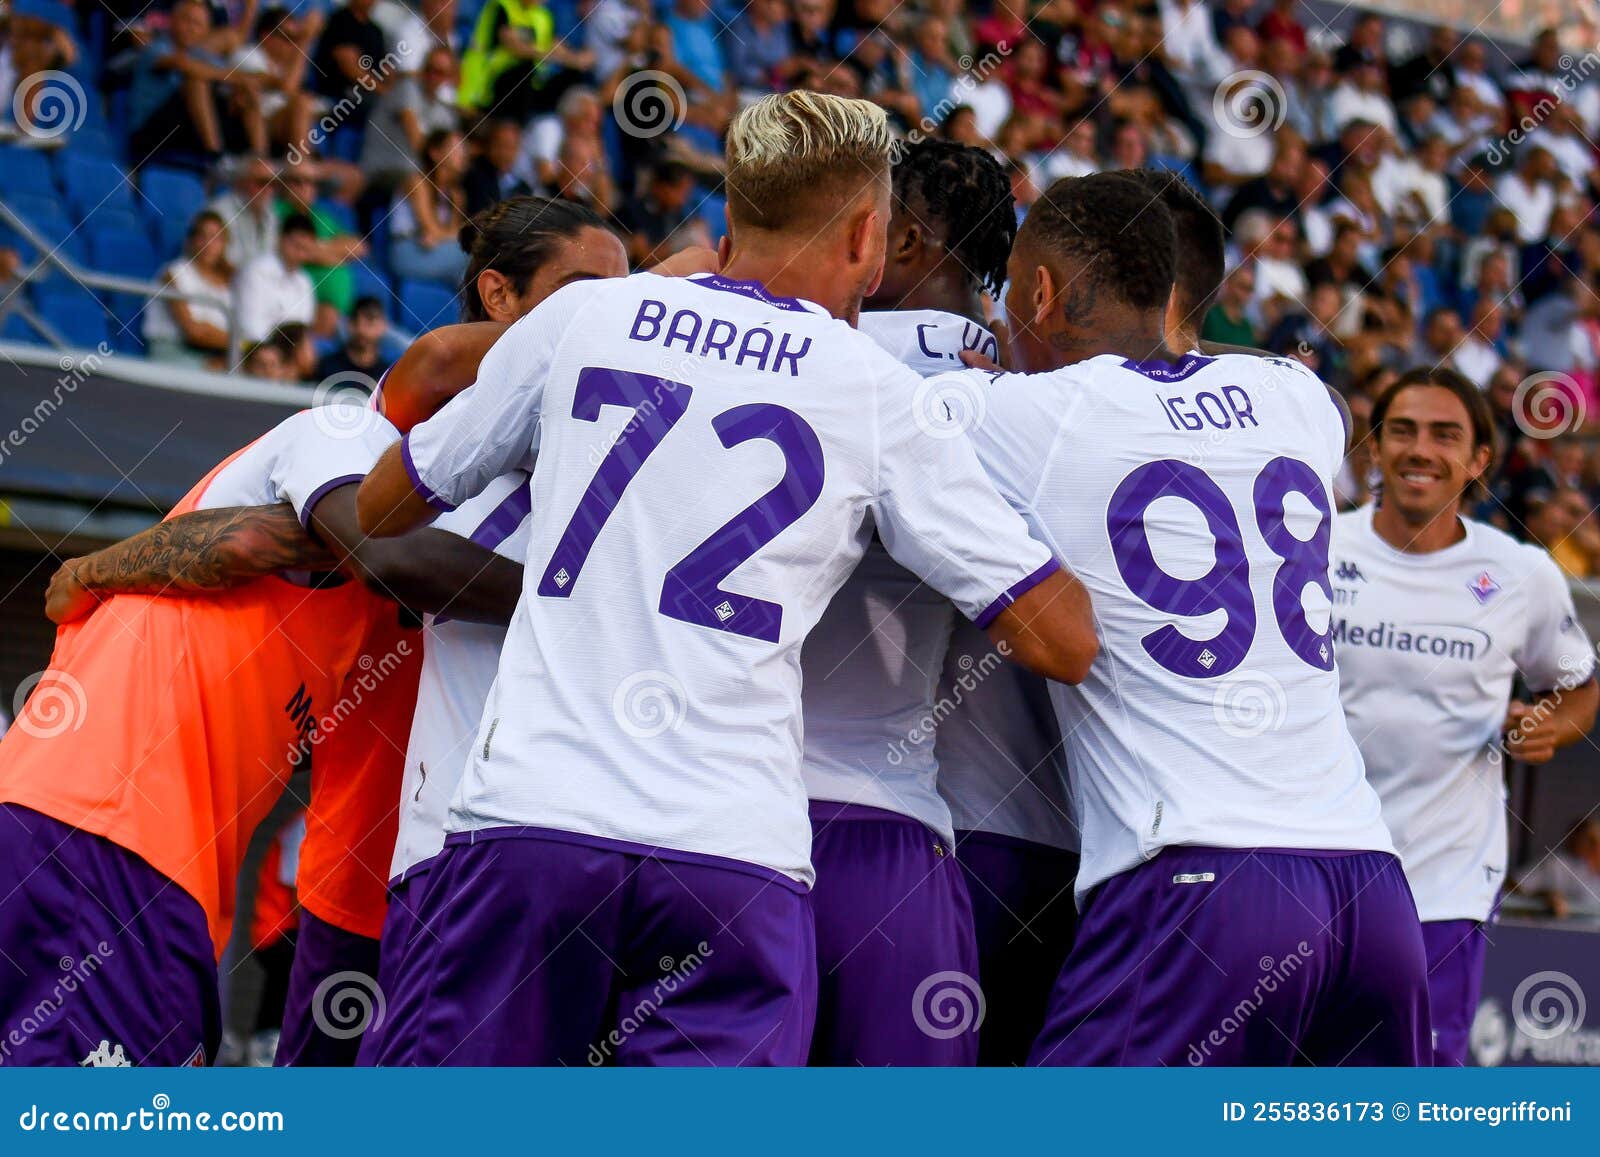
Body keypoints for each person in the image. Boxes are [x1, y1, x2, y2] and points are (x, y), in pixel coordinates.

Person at [355, 92, 1098, 1066]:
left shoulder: (589, 316)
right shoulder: (878, 394)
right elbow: (1063, 641)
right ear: (870, 233)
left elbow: (385, 505)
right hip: (731, 852)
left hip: (532, 818)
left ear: (730, 217)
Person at [954, 171, 1428, 1066]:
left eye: (1013, 291)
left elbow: (874, 410)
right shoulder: (1295, 398)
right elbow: (1305, 401)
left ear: (1043, 294)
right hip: (1371, 887)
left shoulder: (1029, 413)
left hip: (1201, 879)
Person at [0, 403, 520, 1066]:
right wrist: (567, 595)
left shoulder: (354, 628)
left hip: (63, 817)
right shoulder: (358, 441)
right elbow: (316, 544)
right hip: (118, 841)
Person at [358, 197, 630, 1064]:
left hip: (596, 846)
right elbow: (397, 551)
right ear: (498, 296)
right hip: (457, 842)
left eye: (623, 300)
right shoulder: (426, 424)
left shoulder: (615, 425)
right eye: (584, 295)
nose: (613, 320)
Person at [796, 139, 1016, 1066]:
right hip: (906, 825)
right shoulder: (1019, 390)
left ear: (911, 240)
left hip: (734, 814)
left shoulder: (803, 350)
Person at [1332, 369, 1598, 1064]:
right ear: (1375, 449)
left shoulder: (1521, 572)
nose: (1422, 448)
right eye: (1403, 430)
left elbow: (1579, 684)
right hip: (1309, 872)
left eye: (1445, 434)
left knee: (1412, 1094)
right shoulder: (1316, 547)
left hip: (1444, 878)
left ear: (1479, 460)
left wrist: (1545, 725)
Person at [144, 210, 237, 367]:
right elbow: (194, 332)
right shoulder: (172, 273)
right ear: (191, 240)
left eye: (216, 238)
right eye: (203, 236)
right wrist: (239, 343)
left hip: (215, 353)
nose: (209, 243)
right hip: (172, 352)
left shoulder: (227, 282)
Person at [390, 130, 471, 285]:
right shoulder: (417, 182)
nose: (463, 155)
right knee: (473, 252)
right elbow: (433, 231)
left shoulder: (457, 194)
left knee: (467, 272)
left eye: (464, 149)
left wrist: (443, 236)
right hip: (407, 251)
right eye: (456, 149)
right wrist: (460, 234)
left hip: (437, 251)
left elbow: (451, 236)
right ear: (435, 153)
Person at [235, 213, 318, 344]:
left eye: (306, 250)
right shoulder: (256, 271)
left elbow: (303, 328)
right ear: (281, 239)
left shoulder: (305, 281)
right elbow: (251, 328)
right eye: (297, 246)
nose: (300, 254)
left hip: (290, 354)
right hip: (254, 349)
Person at [1516, 819, 1600, 920]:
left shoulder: (1593, 870)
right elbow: (1515, 885)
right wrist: (1544, 895)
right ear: (1574, 837)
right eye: (1590, 840)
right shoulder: (1555, 863)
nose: (1595, 846)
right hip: (1560, 930)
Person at [314, 297, 395, 384]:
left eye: (370, 321)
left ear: (383, 326)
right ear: (349, 324)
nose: (361, 329)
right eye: (356, 321)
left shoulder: (387, 377)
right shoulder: (327, 367)